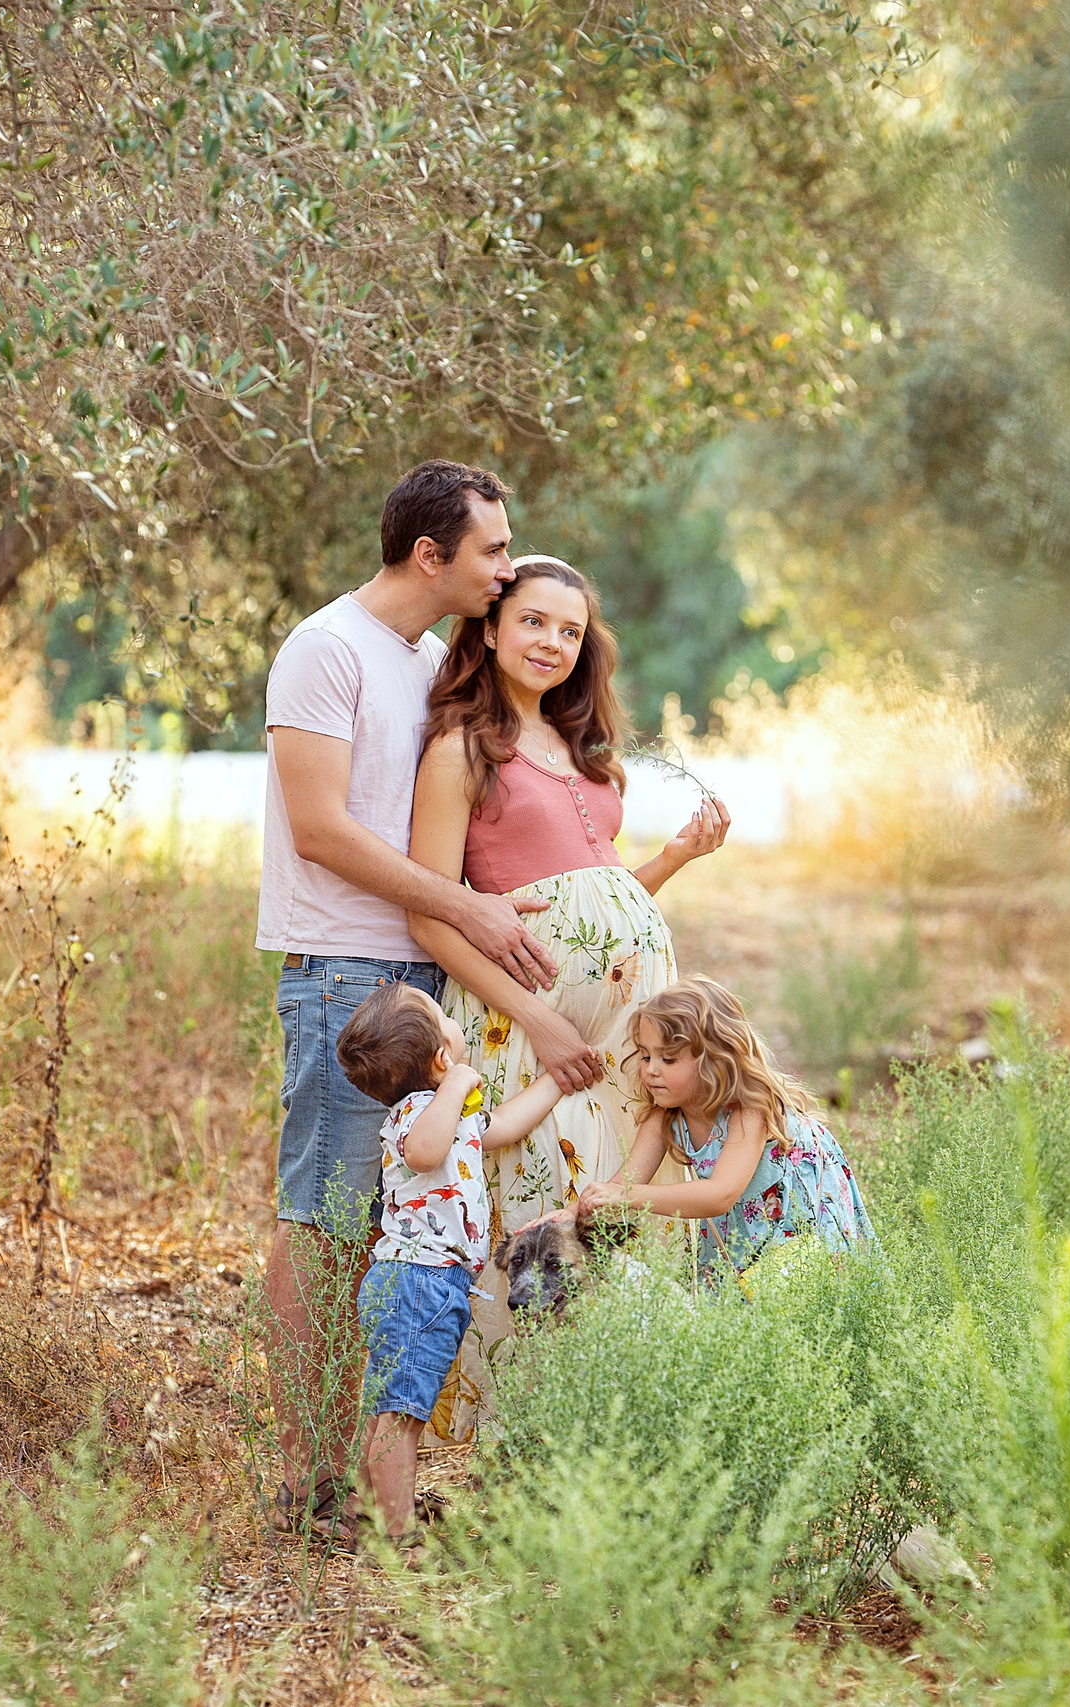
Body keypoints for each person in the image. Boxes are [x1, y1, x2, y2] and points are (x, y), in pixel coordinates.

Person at [257, 459, 564, 1537]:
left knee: (397, 1230)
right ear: (429, 555)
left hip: (426, 979)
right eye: (491, 548)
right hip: (342, 976)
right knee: (326, 1223)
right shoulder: (324, 650)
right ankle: (306, 1481)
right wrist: (466, 909)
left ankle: (364, 1468)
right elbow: (322, 830)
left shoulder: (431, 657)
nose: (507, 564)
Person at [403, 554, 731, 1433]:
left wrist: (674, 858)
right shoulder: (461, 749)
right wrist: (542, 1021)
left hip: (622, 1040)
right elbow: (432, 918)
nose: (552, 641)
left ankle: (619, 1416)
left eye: (571, 630)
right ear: (493, 627)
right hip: (527, 1033)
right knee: (538, 1205)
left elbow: (605, 897)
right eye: (535, 621)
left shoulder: (581, 753)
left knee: (616, 1213)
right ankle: (527, 1428)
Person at [333, 983, 566, 1547]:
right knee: (403, 1414)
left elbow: (502, 1126)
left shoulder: (446, 1112)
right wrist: (458, 1084)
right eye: (444, 1017)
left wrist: (557, 1081)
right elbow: (424, 1153)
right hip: (418, 1281)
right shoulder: (414, 1114)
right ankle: (397, 1533)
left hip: (432, 1283)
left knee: (391, 1404)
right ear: (441, 1058)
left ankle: (364, 1510)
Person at [578, 977, 877, 1287]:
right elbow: (622, 1184)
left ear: (715, 1061)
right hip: (744, 1230)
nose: (651, 1069)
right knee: (741, 1306)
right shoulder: (664, 1117)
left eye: (668, 1059)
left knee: (804, 1299)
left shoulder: (751, 1110)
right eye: (645, 1055)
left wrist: (625, 1196)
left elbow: (720, 1194)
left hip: (796, 1219)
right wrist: (574, 1212)